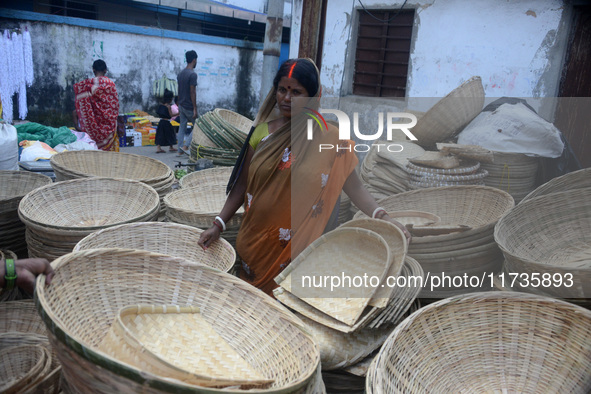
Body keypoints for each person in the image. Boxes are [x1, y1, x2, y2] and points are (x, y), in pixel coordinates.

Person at [198, 58, 411, 296]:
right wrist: (218, 225)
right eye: (282, 90)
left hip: (302, 253)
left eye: (296, 92)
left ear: (313, 96)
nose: (287, 99)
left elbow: (355, 188)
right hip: (255, 247)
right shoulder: (261, 134)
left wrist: (384, 217)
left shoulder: (330, 138)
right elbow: (241, 186)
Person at [73, 59, 120, 151]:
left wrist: (77, 126)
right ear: (105, 70)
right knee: (110, 155)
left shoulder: (87, 85)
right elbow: (114, 106)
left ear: (93, 70)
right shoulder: (111, 85)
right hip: (109, 124)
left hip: (93, 125)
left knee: (94, 152)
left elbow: (83, 105)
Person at [176, 50, 198, 156]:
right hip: (189, 106)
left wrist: (179, 104)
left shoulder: (180, 74)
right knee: (199, 126)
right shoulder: (192, 74)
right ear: (194, 60)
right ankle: (186, 146)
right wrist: (195, 108)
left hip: (181, 104)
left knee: (182, 127)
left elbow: (179, 90)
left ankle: (180, 150)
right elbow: (192, 91)